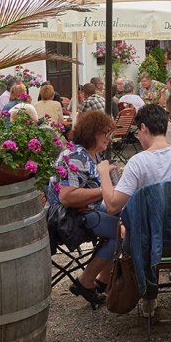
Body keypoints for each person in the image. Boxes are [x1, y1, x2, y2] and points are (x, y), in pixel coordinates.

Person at [46, 110, 121, 306]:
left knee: (124, 216)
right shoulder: (76, 155)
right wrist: (105, 190)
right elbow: (67, 197)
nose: (109, 138)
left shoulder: (93, 155)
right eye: (106, 133)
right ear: (92, 132)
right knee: (121, 231)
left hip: (86, 211)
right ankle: (86, 281)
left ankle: (104, 280)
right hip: (66, 218)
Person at [97, 105, 171, 217]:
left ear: (143, 127)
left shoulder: (137, 162)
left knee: (97, 216)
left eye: (138, 132)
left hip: (150, 232)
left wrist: (103, 172)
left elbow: (112, 206)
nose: (139, 137)